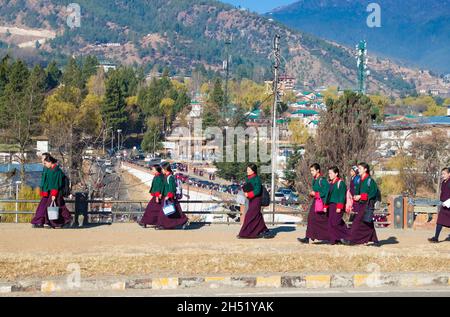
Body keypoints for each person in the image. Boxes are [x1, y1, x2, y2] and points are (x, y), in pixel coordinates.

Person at [31, 154, 72, 229]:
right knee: (58, 206)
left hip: (56, 192)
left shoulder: (56, 171)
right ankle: (61, 221)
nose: (44, 164)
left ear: (50, 162)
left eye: (45, 162)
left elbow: (56, 184)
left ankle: (65, 220)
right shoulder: (51, 170)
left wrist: (53, 194)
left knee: (58, 206)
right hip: (52, 191)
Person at [343, 162, 379, 246]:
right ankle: (375, 240)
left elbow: (373, 193)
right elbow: (356, 191)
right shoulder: (359, 180)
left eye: (360, 168)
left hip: (367, 204)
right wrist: (355, 197)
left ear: (365, 169)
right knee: (367, 223)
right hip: (360, 204)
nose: (358, 170)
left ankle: (351, 240)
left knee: (357, 222)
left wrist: (361, 196)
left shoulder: (370, 180)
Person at [237, 164, 273, 239]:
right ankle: (264, 230)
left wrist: (249, 194)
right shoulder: (248, 178)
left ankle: (245, 233)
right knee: (257, 216)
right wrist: (245, 191)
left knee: (249, 215)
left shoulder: (257, 179)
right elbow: (248, 187)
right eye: (247, 169)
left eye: (248, 170)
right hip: (251, 200)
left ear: (253, 171)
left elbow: (257, 190)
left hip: (256, 200)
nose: (247, 171)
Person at [298, 163, 330, 244]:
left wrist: (315, 194)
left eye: (312, 170)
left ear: (318, 170)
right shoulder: (315, 180)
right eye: (311, 170)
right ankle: (307, 237)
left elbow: (326, 192)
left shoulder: (322, 180)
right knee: (311, 218)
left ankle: (332, 235)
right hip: (316, 202)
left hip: (322, 202)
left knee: (324, 220)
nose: (311, 172)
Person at [155, 162, 189, 230]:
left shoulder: (170, 177)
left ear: (165, 169)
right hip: (166, 196)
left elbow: (172, 188)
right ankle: (183, 221)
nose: (161, 171)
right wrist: (160, 194)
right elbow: (164, 187)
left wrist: (169, 195)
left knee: (165, 212)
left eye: (162, 169)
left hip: (169, 197)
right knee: (174, 212)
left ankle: (163, 225)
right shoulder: (166, 177)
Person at [324, 166, 349, 245]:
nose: (329, 175)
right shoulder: (331, 183)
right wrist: (325, 206)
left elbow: (342, 196)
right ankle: (334, 240)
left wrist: (339, 207)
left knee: (335, 223)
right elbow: (328, 196)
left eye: (331, 173)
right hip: (331, 206)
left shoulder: (340, 183)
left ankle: (347, 237)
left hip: (337, 206)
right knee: (331, 223)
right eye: (329, 173)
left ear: (336, 174)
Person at [428, 167, 450, 243]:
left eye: (444, 174)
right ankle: (436, 238)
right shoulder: (444, 182)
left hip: (449, 205)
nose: (442, 175)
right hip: (444, 206)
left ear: (449, 174)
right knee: (440, 221)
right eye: (442, 174)